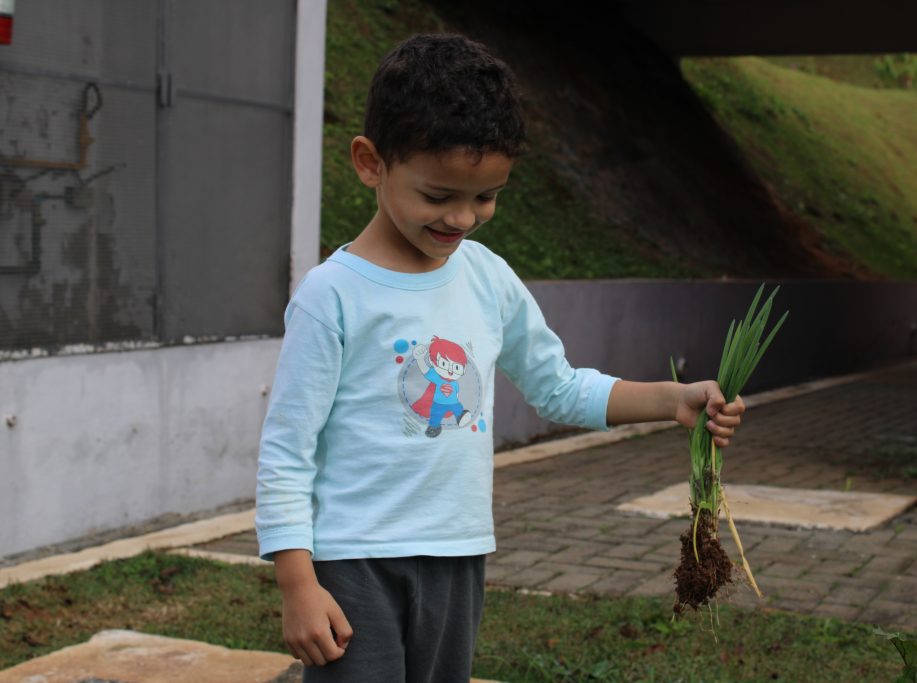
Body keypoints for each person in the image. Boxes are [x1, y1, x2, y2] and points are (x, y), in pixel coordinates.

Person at [255, 33, 746, 682]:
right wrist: (297, 583)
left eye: (485, 196)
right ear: (371, 163)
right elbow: (286, 450)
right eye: (438, 196)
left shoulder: (487, 278)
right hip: (353, 562)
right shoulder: (332, 296)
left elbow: (558, 386)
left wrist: (671, 399)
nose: (462, 218)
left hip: (458, 556)